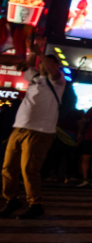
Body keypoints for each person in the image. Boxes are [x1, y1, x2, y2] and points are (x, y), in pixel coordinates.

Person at [1, 41, 65, 220]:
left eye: (47, 63)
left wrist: (40, 54)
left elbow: (53, 72)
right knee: (7, 167)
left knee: (29, 169)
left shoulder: (58, 81)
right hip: (19, 127)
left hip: (40, 131)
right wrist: (32, 50)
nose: (43, 65)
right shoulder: (35, 77)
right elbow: (26, 65)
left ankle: (35, 204)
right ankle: (11, 200)